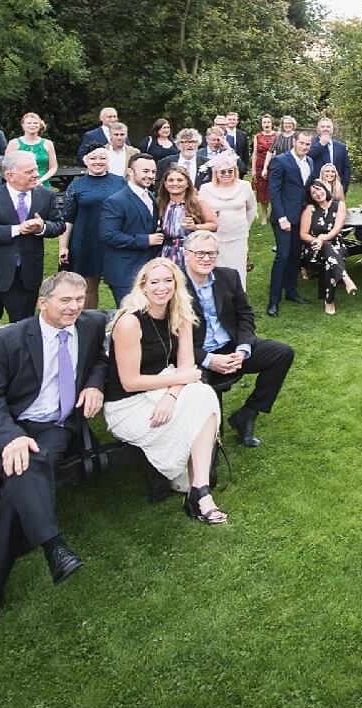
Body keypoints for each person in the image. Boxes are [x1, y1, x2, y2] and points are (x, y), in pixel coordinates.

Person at [0, 272, 108, 644]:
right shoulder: (8, 340)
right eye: (64, 301)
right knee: (26, 465)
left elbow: (100, 361)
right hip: (6, 428)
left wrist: (94, 384)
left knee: (23, 477)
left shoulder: (90, 324)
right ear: (43, 303)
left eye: (78, 299)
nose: (74, 307)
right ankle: (53, 546)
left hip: (55, 426)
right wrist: (11, 438)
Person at [102, 258, 227, 523]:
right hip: (127, 404)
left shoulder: (180, 315)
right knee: (199, 397)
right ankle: (186, 482)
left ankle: (200, 491)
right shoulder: (129, 322)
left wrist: (172, 395)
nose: (162, 288)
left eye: (168, 281)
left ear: (176, 284)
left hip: (164, 391)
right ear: (143, 287)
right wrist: (180, 379)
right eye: (154, 282)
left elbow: (186, 366)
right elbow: (130, 381)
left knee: (203, 395)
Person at [179, 236, 295, 450]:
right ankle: (202, 449)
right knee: (205, 412)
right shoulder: (174, 286)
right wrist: (208, 360)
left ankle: (248, 413)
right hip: (195, 354)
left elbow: (245, 315)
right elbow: (169, 340)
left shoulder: (228, 277)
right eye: (200, 253)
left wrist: (243, 349)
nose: (206, 258)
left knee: (282, 353)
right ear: (186, 255)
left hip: (231, 347)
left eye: (211, 253)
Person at [0, 151, 65, 333]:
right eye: (29, 171)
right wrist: (16, 229)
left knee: (24, 331)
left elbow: (59, 226)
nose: (36, 174)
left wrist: (42, 227)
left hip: (26, 278)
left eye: (36, 169)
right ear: (10, 175)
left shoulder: (46, 196)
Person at [58, 148, 118, 309]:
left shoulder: (121, 182)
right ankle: (88, 324)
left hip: (113, 240)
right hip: (86, 241)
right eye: (93, 158)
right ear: (85, 160)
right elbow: (67, 219)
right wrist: (63, 247)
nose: (98, 161)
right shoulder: (76, 185)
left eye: (102, 158)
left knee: (122, 286)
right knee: (88, 287)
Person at [99, 153, 162, 308]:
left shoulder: (151, 197)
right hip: (124, 273)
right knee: (129, 316)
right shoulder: (115, 201)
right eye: (145, 171)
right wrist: (146, 240)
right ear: (130, 172)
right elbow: (109, 235)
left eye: (153, 172)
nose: (150, 176)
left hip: (147, 270)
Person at [265, 129, 315, 315]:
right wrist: (281, 217)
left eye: (308, 144)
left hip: (300, 218)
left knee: (295, 256)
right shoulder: (280, 161)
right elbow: (274, 191)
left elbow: (307, 188)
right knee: (283, 256)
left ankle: (291, 292)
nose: (304, 147)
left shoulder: (309, 161)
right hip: (284, 218)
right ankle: (273, 301)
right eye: (301, 143)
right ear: (295, 141)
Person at [201, 152, 258, 283]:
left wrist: (245, 226)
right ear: (216, 173)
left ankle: (238, 300)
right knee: (217, 272)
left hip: (238, 237)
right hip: (216, 238)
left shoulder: (244, 186)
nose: (226, 174)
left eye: (230, 171)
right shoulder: (205, 189)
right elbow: (199, 212)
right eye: (223, 172)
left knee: (238, 271)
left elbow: (252, 208)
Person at [300, 180, 355, 314]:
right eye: (314, 193)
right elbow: (303, 234)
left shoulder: (339, 205)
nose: (318, 194)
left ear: (325, 189)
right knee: (330, 254)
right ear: (311, 196)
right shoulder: (310, 209)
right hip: (314, 247)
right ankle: (344, 279)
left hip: (335, 243)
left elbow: (337, 229)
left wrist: (323, 238)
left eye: (319, 189)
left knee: (330, 260)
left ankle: (329, 301)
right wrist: (316, 240)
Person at [156, 162, 217, 269]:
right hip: (167, 253)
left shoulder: (197, 203)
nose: (175, 183)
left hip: (191, 253)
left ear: (187, 183)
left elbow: (213, 225)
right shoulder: (162, 204)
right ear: (165, 184)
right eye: (171, 180)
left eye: (180, 180)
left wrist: (195, 227)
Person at [9, 112, 57, 188]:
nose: (32, 125)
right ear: (23, 125)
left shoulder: (48, 144)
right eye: (29, 123)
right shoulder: (14, 143)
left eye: (35, 123)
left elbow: (53, 167)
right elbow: (8, 167)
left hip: (42, 184)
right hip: (20, 184)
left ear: (39, 125)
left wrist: (41, 180)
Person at [309, 117, 352, 194]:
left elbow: (346, 168)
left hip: (336, 188)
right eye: (323, 127)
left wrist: (344, 187)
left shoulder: (341, 146)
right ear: (318, 130)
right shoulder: (310, 144)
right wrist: (320, 145)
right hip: (316, 188)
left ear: (332, 130)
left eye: (328, 127)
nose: (325, 129)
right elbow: (308, 157)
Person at [252, 116, 280, 209]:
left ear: (272, 123)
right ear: (261, 124)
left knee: (275, 190)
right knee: (263, 191)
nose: (266, 124)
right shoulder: (257, 136)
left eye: (268, 122)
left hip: (274, 164)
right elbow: (255, 153)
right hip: (260, 165)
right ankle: (264, 217)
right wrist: (253, 170)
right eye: (264, 122)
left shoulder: (277, 135)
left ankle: (275, 213)